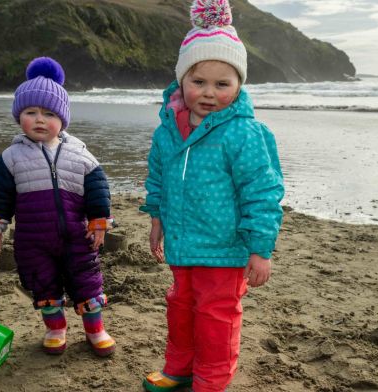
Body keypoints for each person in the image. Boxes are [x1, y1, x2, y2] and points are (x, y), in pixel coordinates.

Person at [140, 0, 285, 390]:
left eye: (222, 84)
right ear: (181, 80)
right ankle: (179, 368)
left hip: (225, 247)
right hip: (183, 243)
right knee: (181, 308)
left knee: (217, 317)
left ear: (238, 86)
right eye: (198, 81)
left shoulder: (245, 133)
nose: (208, 93)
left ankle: (211, 380)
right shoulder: (167, 130)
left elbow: (263, 192)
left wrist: (260, 247)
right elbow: (157, 177)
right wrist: (156, 217)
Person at [0, 57, 115, 357]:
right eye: (31, 112)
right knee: (43, 284)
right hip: (33, 239)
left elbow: (98, 190)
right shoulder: (11, 157)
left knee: (88, 281)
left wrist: (98, 223)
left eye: (49, 113)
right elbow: (0, 196)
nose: (40, 119)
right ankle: (55, 329)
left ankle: (96, 330)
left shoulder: (80, 153)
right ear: (20, 117)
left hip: (77, 235)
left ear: (63, 119)